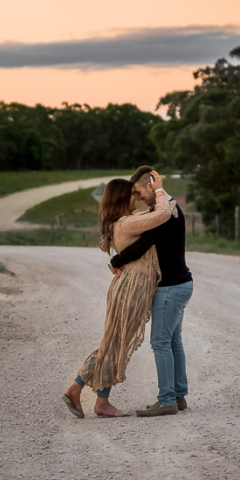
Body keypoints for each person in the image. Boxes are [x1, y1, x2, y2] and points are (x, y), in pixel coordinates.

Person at [62, 171, 174, 418]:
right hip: (133, 286)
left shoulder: (125, 221)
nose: (135, 199)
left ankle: (99, 399)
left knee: (115, 342)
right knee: (116, 343)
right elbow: (164, 214)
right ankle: (78, 388)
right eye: (132, 195)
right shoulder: (126, 223)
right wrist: (160, 190)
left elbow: (156, 215)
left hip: (128, 284)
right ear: (122, 199)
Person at [109, 165, 193, 417]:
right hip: (179, 284)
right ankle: (178, 396)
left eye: (136, 192)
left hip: (169, 287)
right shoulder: (168, 206)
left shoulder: (164, 211)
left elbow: (143, 245)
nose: (135, 198)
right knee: (173, 341)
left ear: (150, 185)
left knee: (160, 342)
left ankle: (167, 399)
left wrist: (115, 261)